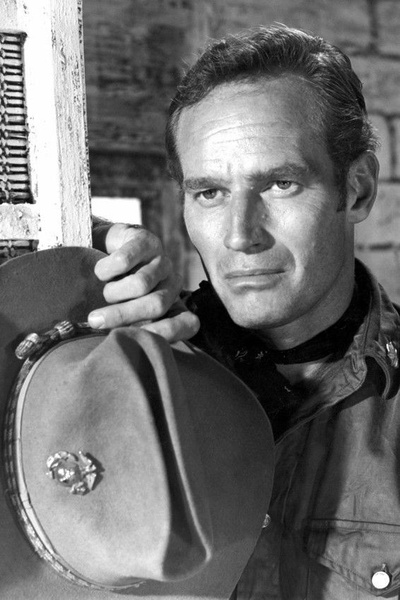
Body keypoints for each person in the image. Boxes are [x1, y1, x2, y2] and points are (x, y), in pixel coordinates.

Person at [91, 24, 400, 599]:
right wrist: (80, 251)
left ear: (357, 189)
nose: (239, 235)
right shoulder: (125, 369)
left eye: (280, 184)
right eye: (209, 193)